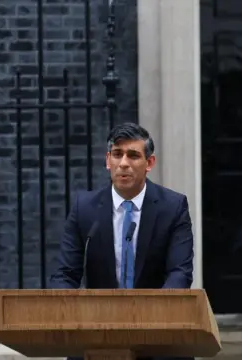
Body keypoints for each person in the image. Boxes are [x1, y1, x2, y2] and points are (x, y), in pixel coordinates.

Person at [50, 122, 194, 360]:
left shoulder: (173, 207)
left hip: (157, 332)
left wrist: (154, 317)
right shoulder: (84, 209)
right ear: (108, 161)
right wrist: (71, 313)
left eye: (133, 155)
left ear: (149, 163)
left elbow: (179, 273)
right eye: (117, 154)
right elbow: (65, 274)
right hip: (97, 331)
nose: (124, 163)